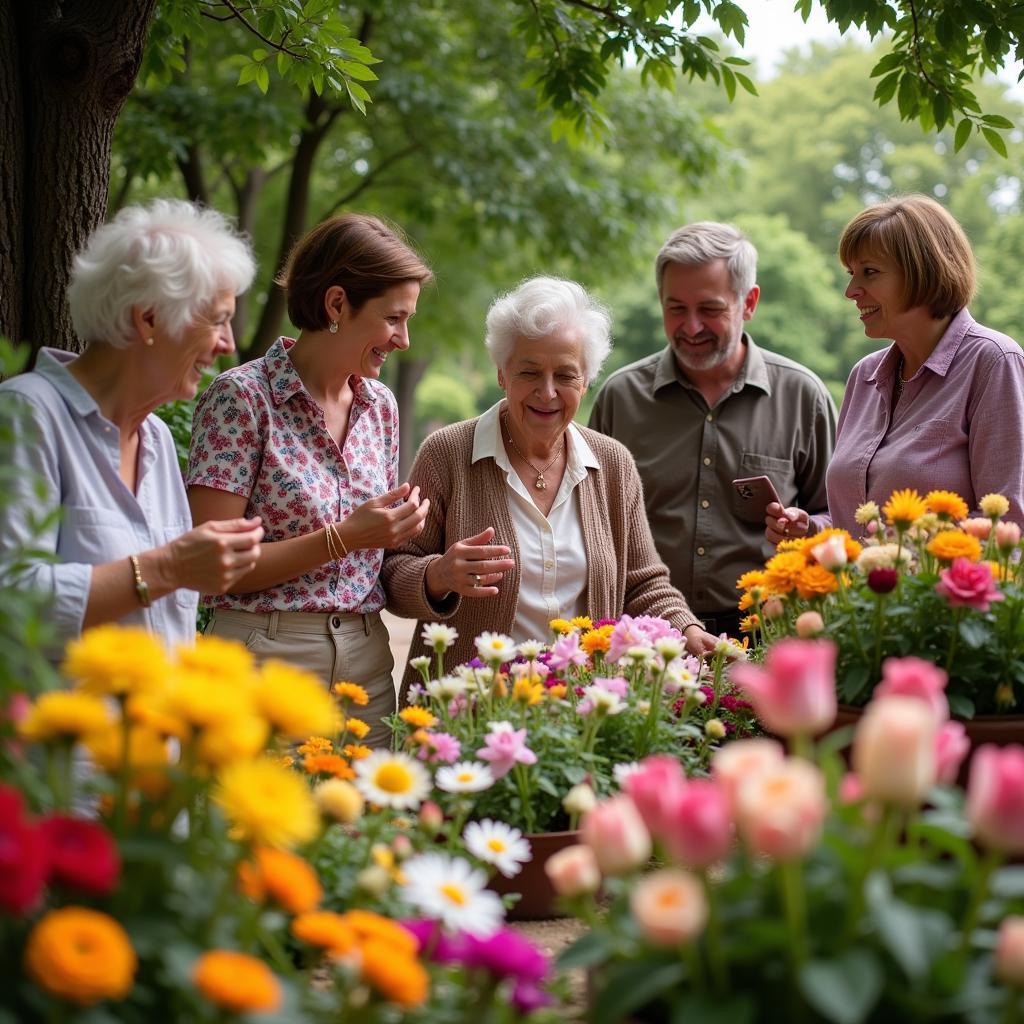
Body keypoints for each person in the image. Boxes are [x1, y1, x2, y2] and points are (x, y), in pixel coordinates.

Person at [382, 276, 716, 697]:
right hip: (467, 712)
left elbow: (643, 582)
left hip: (581, 711)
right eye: (529, 372)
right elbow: (392, 573)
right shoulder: (447, 454)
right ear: (502, 373)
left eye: (565, 375)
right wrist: (438, 575)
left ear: (587, 380)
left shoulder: (613, 465)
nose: (547, 391)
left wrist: (685, 626)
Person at [186, 213, 432, 746]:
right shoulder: (242, 399)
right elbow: (211, 571)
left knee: (368, 829)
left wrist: (438, 571)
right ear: (337, 304)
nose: (404, 339)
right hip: (262, 662)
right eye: (394, 318)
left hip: (367, 664)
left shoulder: (380, 407)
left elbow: (376, 564)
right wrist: (348, 536)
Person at [0, 200, 265, 657]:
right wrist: (171, 566)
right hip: (55, 729)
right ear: (149, 318)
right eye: (218, 319)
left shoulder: (156, 438)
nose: (228, 345)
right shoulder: (26, 414)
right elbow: (12, 597)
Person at [589, 222, 836, 638]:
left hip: (769, 633)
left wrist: (807, 526)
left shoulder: (803, 396)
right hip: (647, 634)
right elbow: (590, 525)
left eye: (710, 309)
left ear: (749, 302)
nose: (691, 327)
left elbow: (844, 519)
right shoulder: (621, 398)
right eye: (675, 308)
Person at [765, 194, 1024, 543]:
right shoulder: (863, 377)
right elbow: (857, 526)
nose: (850, 291)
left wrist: (905, 566)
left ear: (924, 271)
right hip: (863, 598)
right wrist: (812, 529)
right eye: (851, 273)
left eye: (869, 272)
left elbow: (1007, 528)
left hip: (942, 598)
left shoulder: (994, 362)